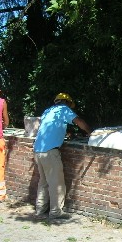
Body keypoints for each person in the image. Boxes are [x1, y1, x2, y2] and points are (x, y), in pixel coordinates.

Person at [33, 93, 92, 221]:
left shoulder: (47, 111)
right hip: (50, 152)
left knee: (43, 182)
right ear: (67, 103)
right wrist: (90, 132)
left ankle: (39, 211)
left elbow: (48, 128)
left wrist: (65, 132)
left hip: (38, 150)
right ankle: (55, 212)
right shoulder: (64, 109)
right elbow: (79, 122)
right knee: (56, 183)